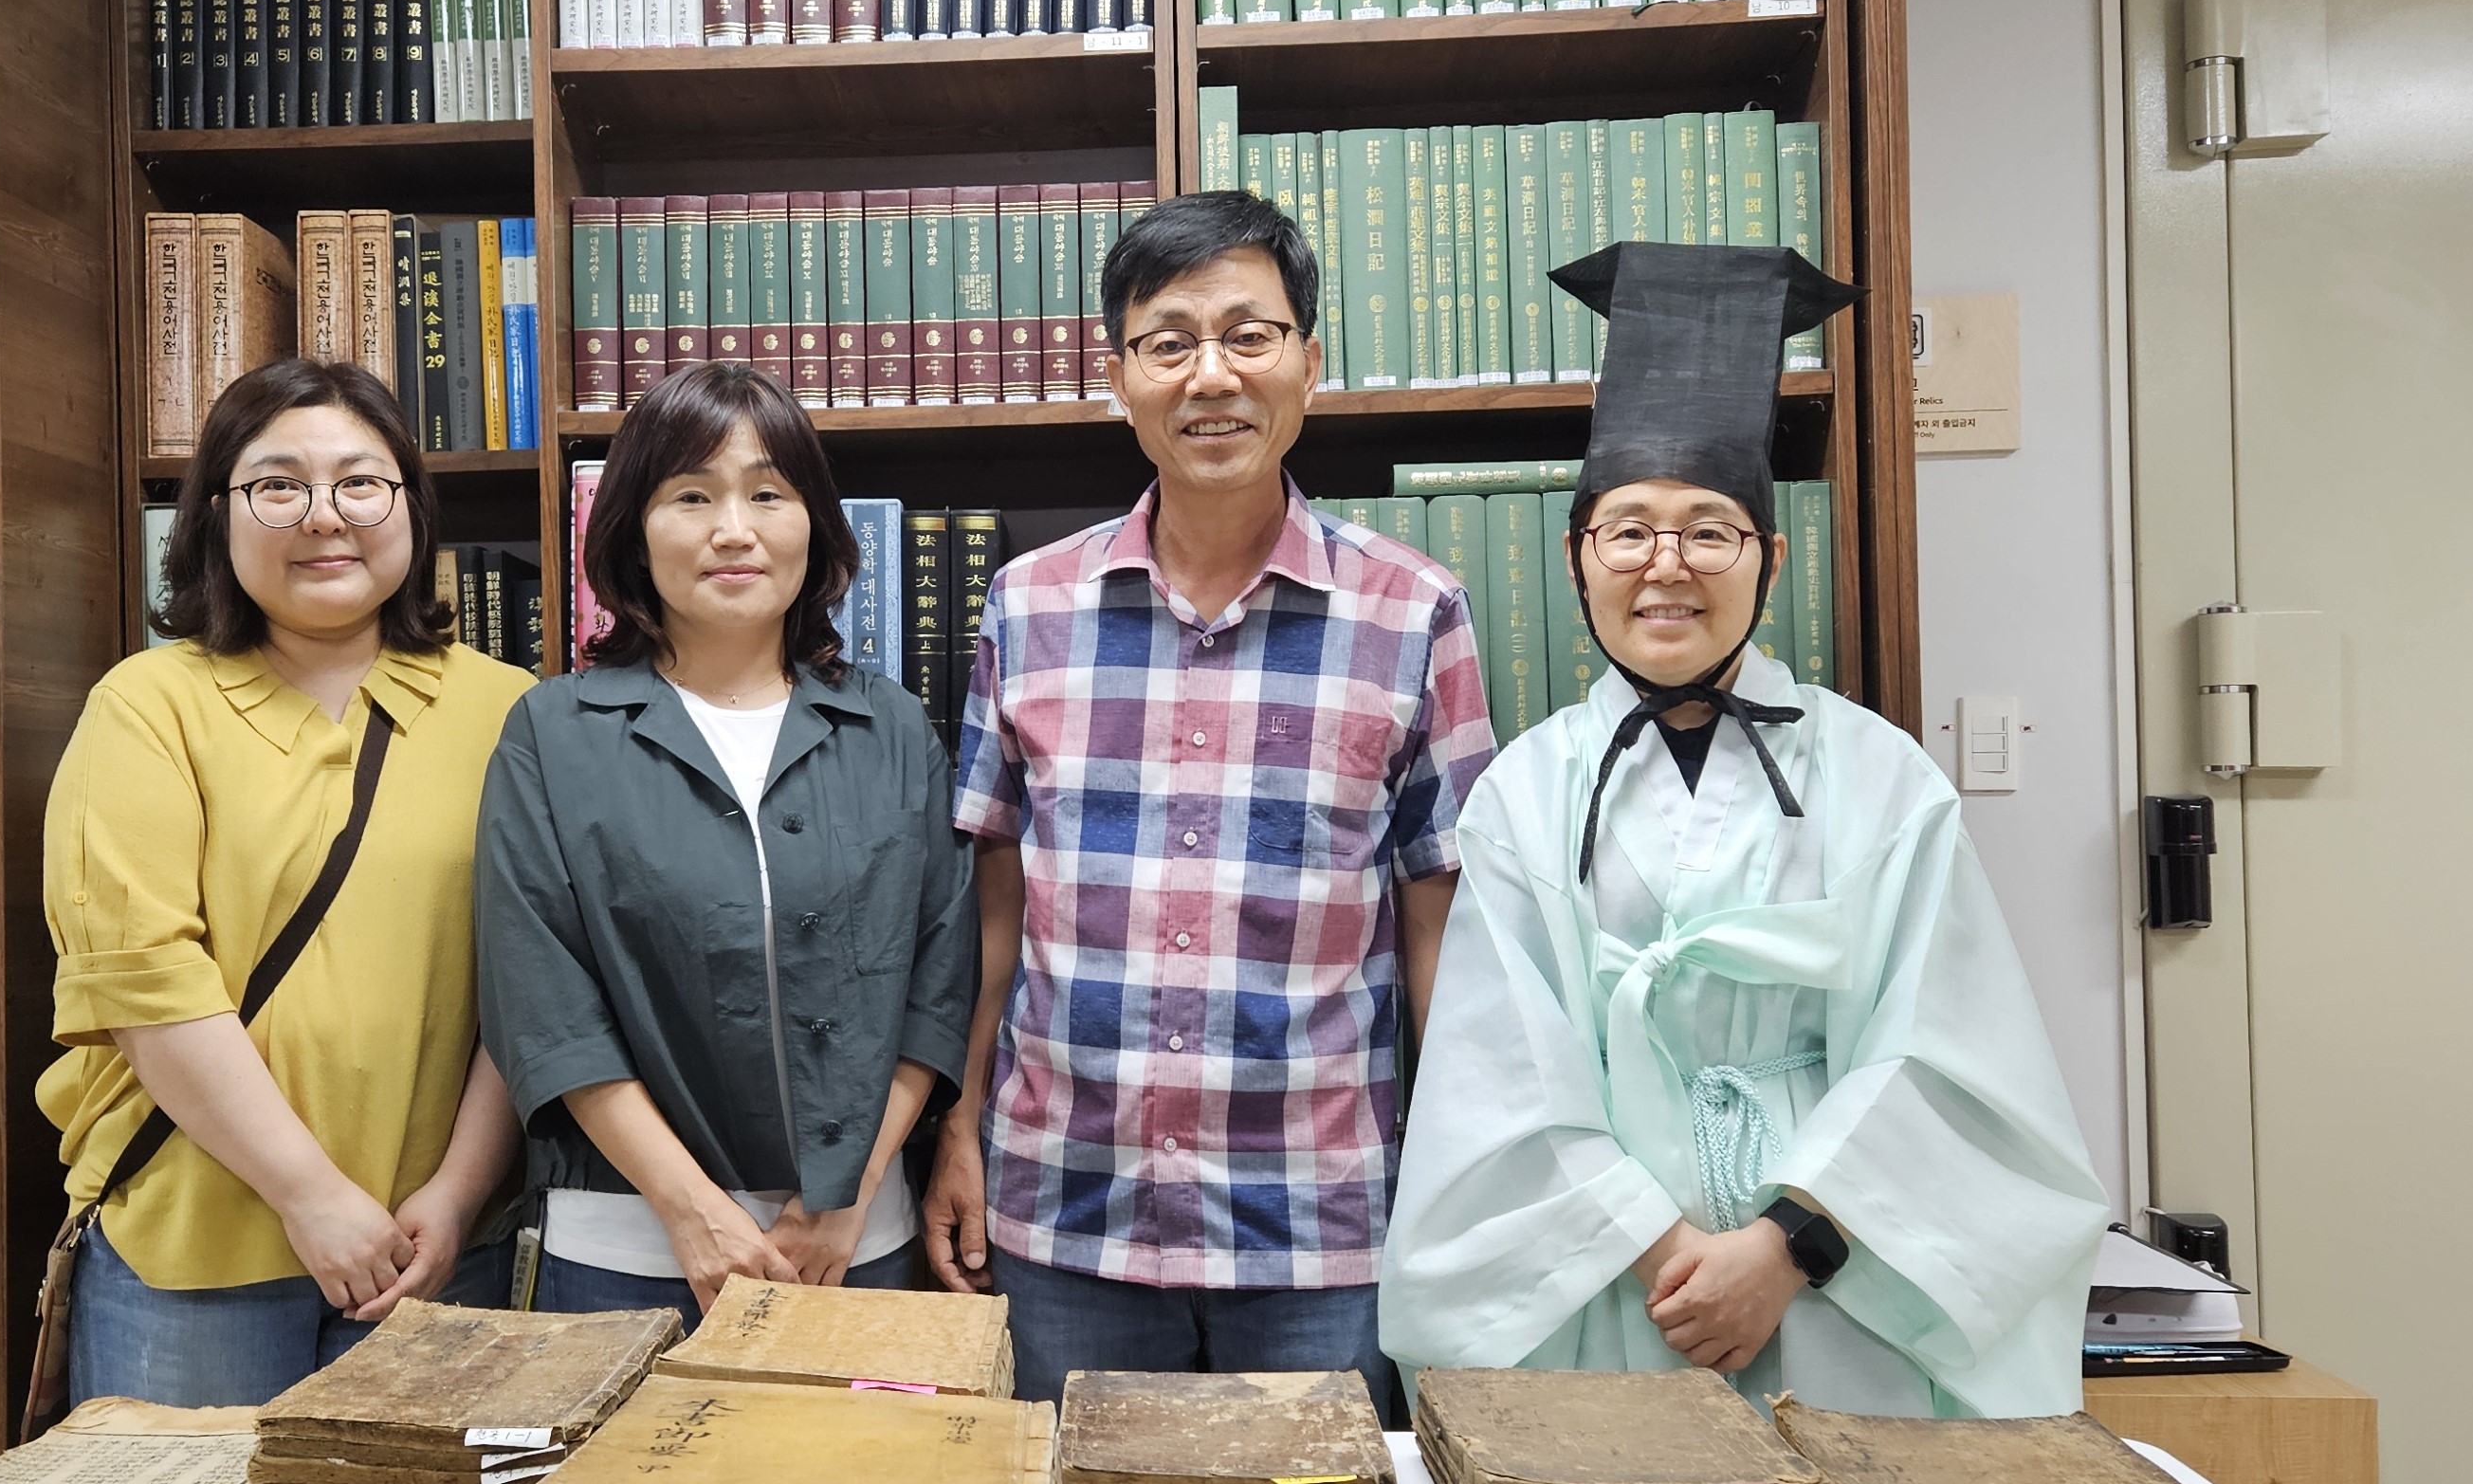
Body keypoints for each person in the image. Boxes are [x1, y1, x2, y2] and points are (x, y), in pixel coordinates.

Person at [1377, 243, 2105, 1415]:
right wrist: (1660, 1251)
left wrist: (1785, 1248)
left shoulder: (1880, 775)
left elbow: (1952, 1053)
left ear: (1769, 557)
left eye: (1708, 531)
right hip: (1607, 1284)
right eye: (1628, 531)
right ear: (1576, 560)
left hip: (1838, 1282)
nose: (1665, 567)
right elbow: (1496, 1074)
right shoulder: (1524, 790)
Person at [926, 190, 1497, 1409]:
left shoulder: (1413, 613)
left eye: (1249, 336)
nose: (1212, 376)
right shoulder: (1027, 606)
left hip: (1319, 1228)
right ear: (1118, 379)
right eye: (1169, 342)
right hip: (1065, 1208)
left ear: (1309, 364)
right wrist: (957, 1128)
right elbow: (994, 910)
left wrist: (1459, 1176)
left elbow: (1439, 931)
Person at [38, 357, 531, 1406]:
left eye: (360, 482)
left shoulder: (509, 711)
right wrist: (310, 1197)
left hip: (437, 1249)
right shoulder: (146, 704)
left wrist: (458, 1194)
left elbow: (532, 980)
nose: (324, 515)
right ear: (216, 514)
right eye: (278, 485)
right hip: (193, 1251)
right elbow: (143, 980)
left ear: (410, 506)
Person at [477, 362, 976, 1328]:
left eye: (768, 494)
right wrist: (689, 1208)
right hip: (623, 1256)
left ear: (815, 524)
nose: (734, 529)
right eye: (692, 496)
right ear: (632, 528)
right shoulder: (553, 732)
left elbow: (938, 980)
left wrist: (849, 1192)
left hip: (858, 1247)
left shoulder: (892, 728)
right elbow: (543, 1005)